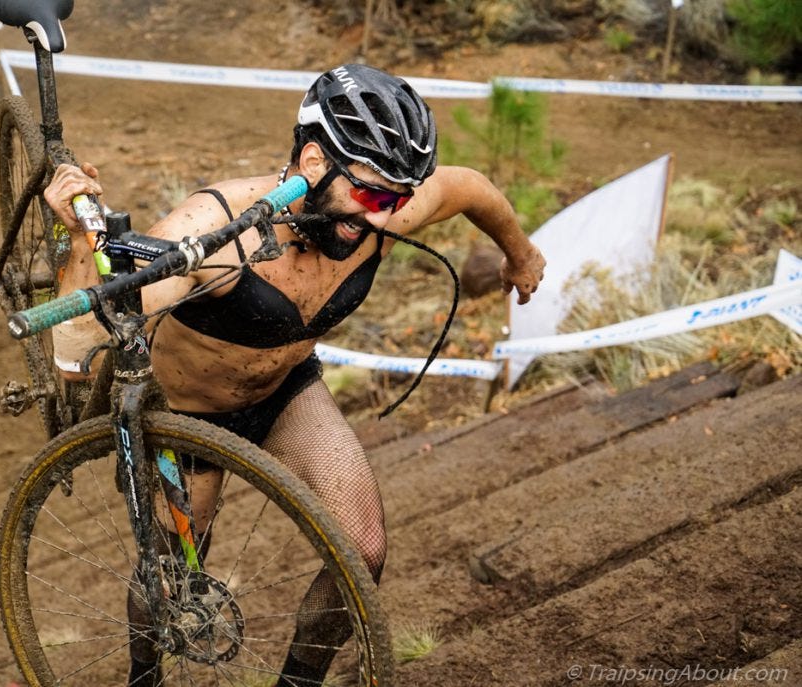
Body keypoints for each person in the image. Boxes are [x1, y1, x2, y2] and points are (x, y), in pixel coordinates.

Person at [44, 63, 546, 687]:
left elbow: (469, 187)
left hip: (286, 392)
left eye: (396, 199)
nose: (385, 218)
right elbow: (77, 350)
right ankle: (142, 675)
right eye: (370, 195)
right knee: (169, 576)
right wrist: (72, 243)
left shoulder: (377, 211)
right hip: (187, 416)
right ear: (314, 160)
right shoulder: (210, 233)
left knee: (361, 552)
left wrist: (520, 253)